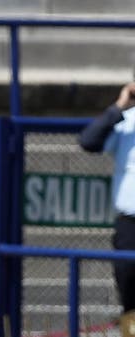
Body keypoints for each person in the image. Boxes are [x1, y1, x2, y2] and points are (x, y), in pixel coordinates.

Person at [78, 81, 135, 315]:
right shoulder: (129, 120)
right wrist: (120, 105)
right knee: (131, 304)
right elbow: (89, 141)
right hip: (130, 228)